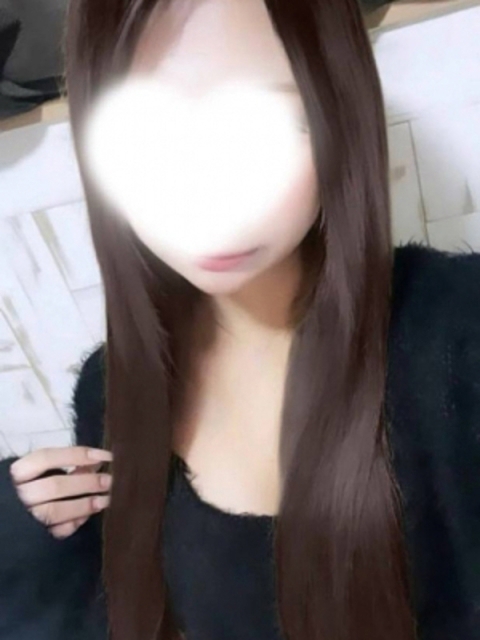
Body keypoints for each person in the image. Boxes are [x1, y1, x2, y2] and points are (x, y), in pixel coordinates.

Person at [0, 0, 479, 639]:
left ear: (337, 108)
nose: (205, 192)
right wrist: (26, 549)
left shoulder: (458, 335)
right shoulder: (112, 388)